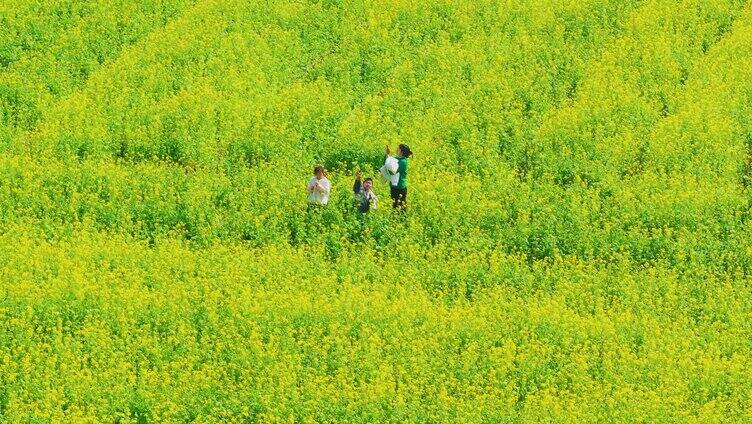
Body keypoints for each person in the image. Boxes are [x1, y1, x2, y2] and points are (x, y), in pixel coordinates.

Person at [383, 144, 412, 210]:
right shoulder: (397, 159)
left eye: (398, 148)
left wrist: (388, 157)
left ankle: (403, 219)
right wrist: (387, 154)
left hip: (399, 188)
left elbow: (392, 170)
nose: (396, 149)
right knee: (395, 206)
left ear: (401, 152)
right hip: (394, 186)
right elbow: (387, 164)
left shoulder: (403, 162)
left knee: (400, 208)